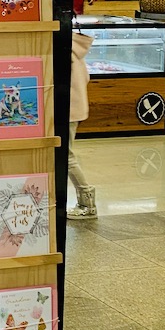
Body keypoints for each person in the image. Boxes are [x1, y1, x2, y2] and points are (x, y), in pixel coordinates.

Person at [68, 29, 96, 219]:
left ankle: (88, 202)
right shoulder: (76, 48)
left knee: (66, 157)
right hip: (75, 109)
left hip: (68, 110)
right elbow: (86, 78)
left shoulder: (65, 50)